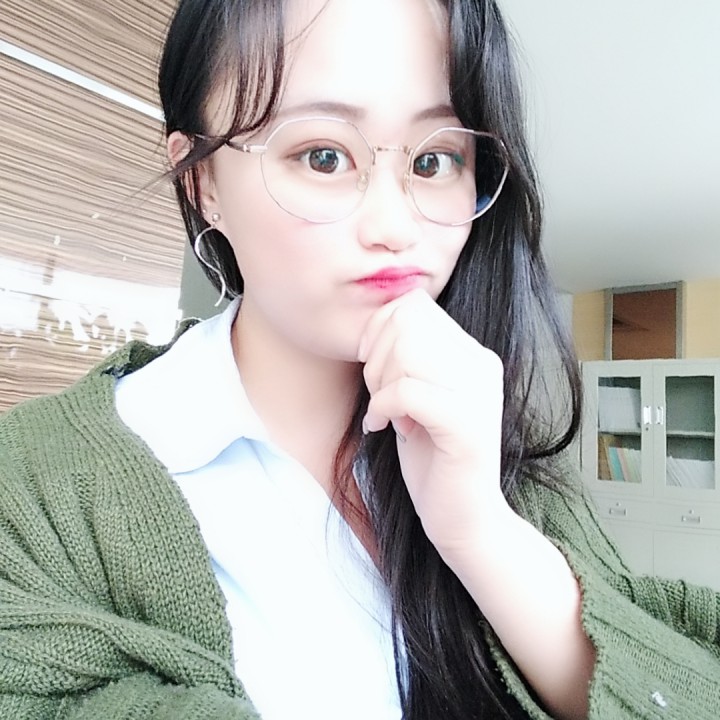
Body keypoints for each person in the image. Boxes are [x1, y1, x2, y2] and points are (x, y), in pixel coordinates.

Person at [1, 0, 719, 718]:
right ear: (202, 182)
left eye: (434, 161)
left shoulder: (493, 454)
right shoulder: (31, 488)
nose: (395, 225)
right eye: (323, 156)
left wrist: (483, 532)